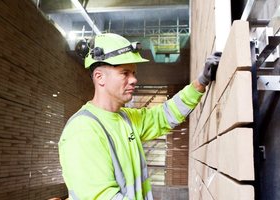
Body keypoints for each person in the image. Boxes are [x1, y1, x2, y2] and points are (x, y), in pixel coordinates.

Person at [58, 33, 221, 200]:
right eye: (125, 73)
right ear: (100, 77)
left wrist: (201, 82)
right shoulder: (82, 131)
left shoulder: (126, 118)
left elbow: (164, 115)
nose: (134, 79)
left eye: (134, 72)